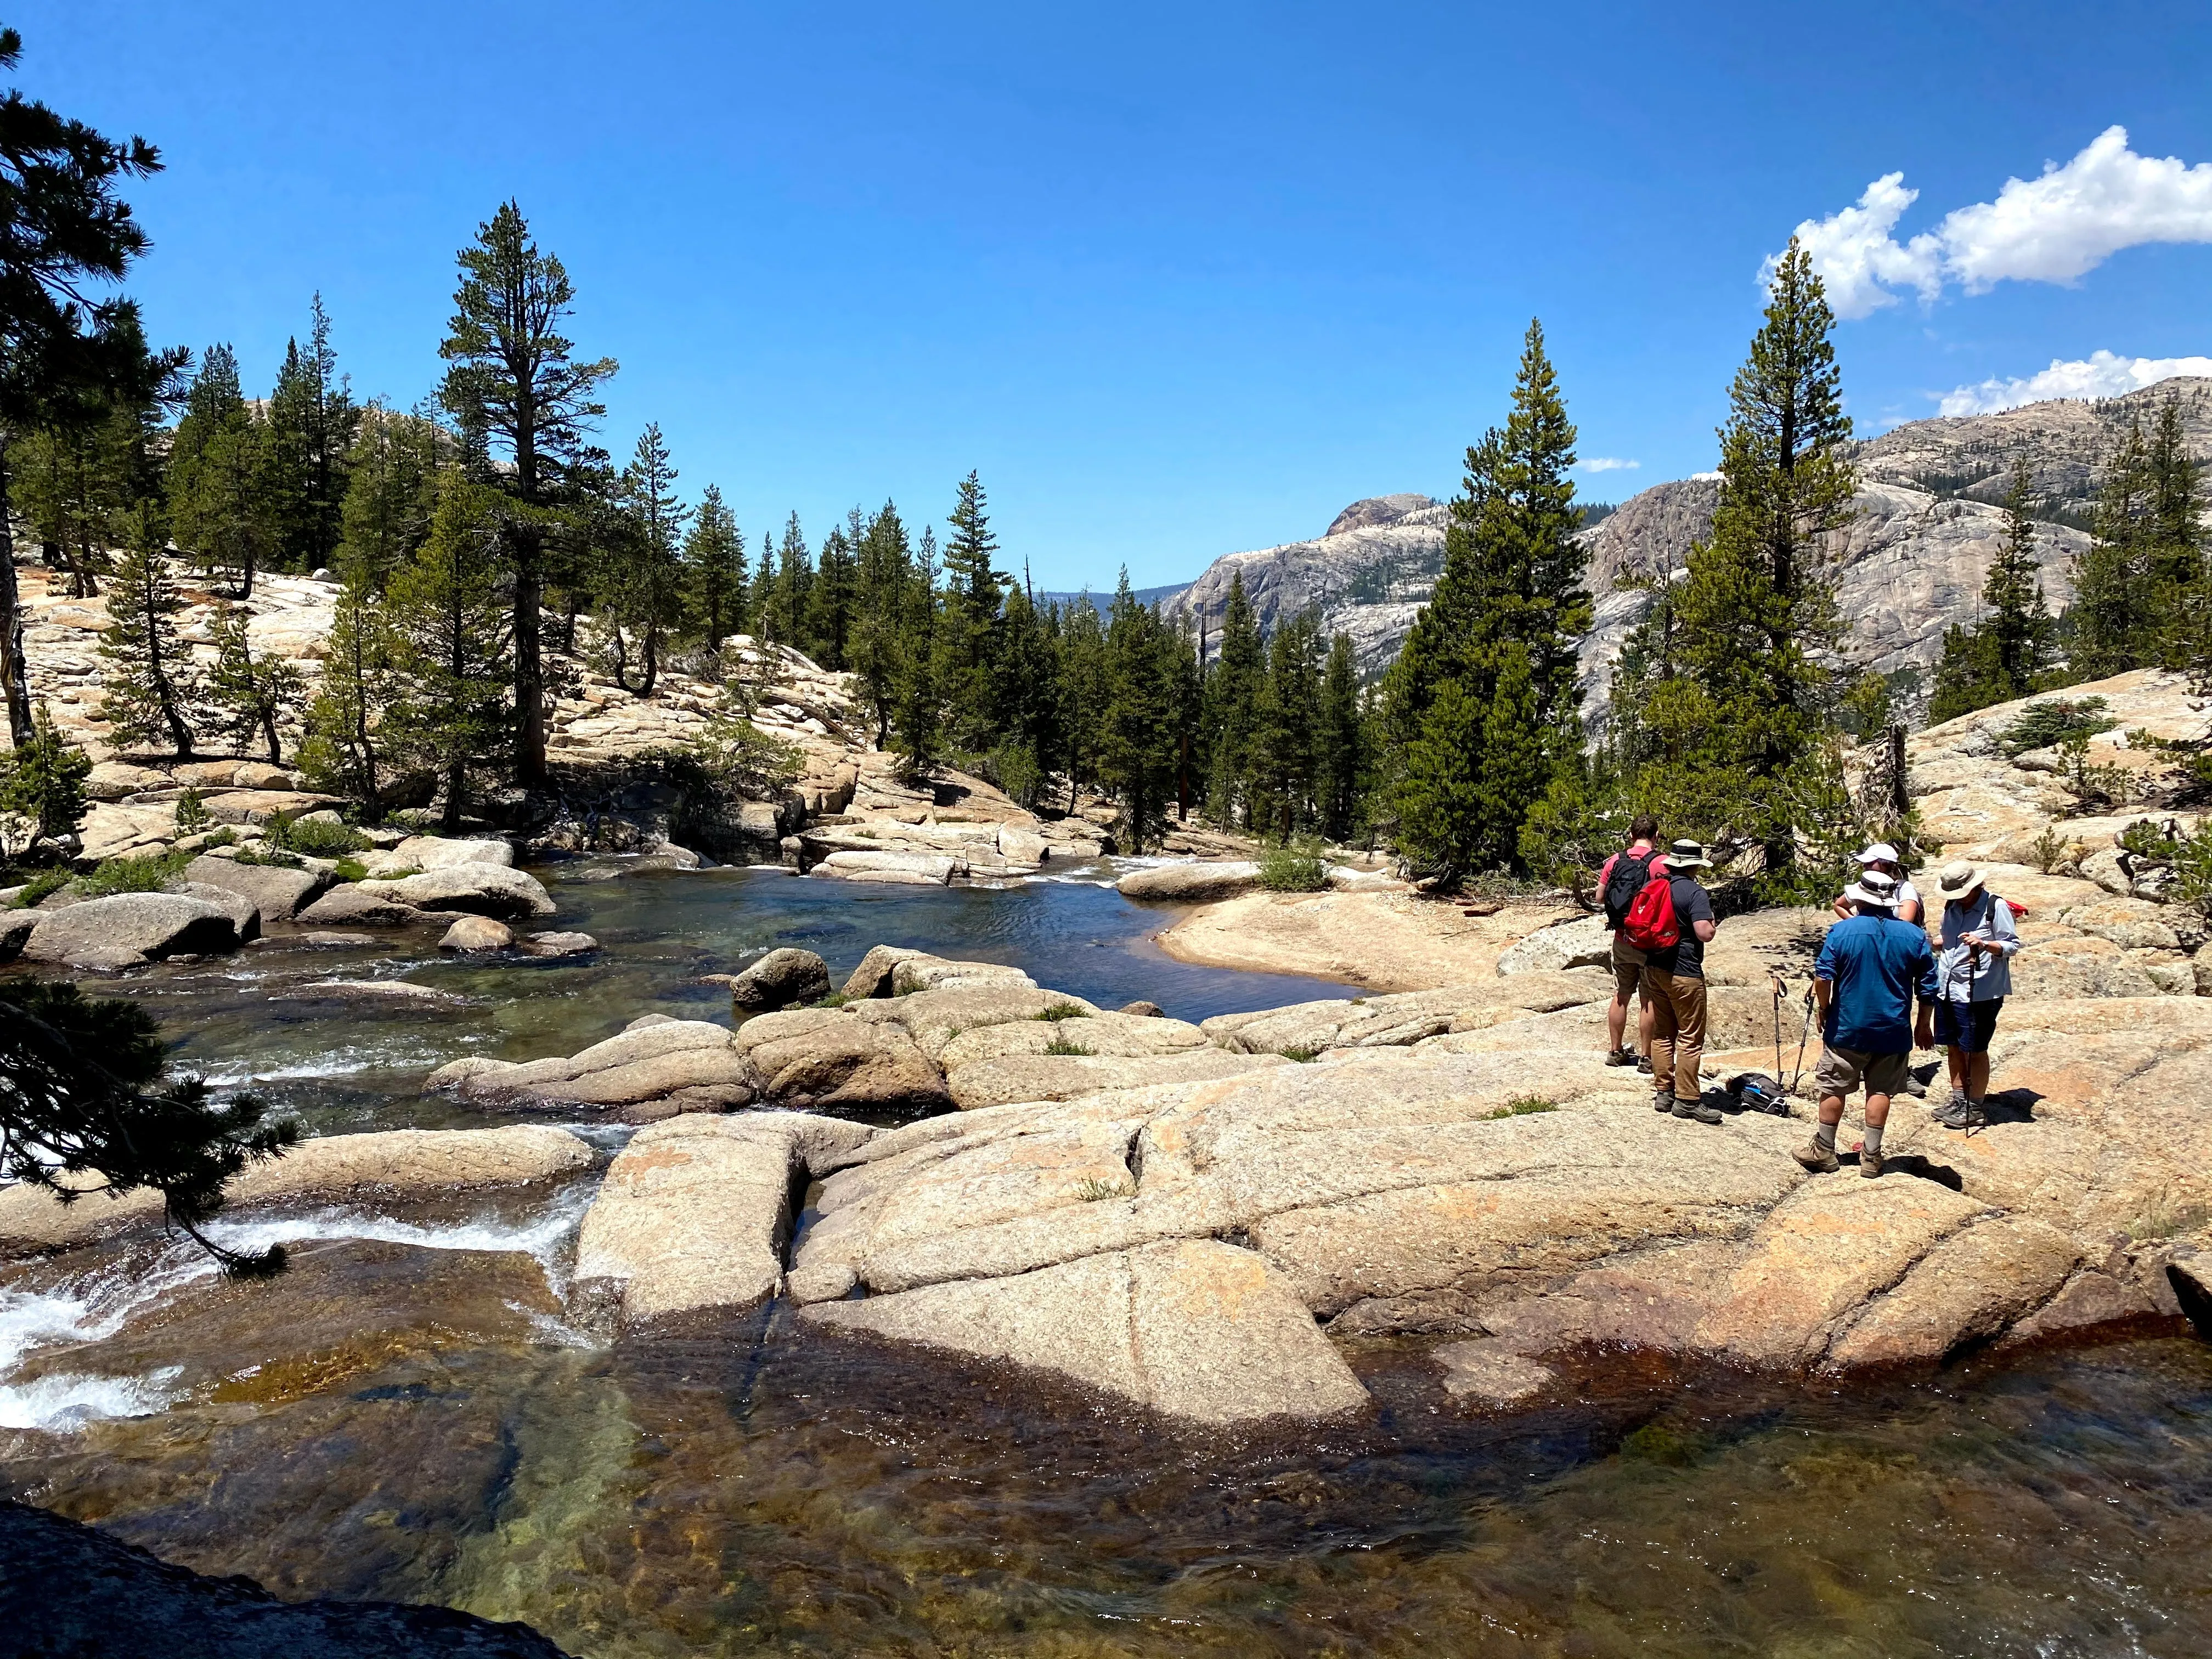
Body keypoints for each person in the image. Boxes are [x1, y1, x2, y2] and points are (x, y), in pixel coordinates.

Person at [1796, 868, 1938, 1180]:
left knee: (1834, 1086)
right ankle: (1872, 1157)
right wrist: (1923, 1024)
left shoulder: (1843, 931)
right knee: (1881, 1091)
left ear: (1860, 899)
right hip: (1893, 1028)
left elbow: (1823, 977)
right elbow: (1928, 988)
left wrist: (1825, 1008)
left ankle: (1824, 1150)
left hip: (1848, 1025)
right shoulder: (1914, 935)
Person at [1928, 860, 2021, 1130]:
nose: (1956, 899)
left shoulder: (1995, 907)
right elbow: (1949, 940)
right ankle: (1959, 1098)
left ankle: (1975, 1105)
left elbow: (2012, 945)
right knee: (1953, 1045)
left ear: (1976, 886)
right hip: (1948, 986)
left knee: (1975, 1049)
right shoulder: (1952, 907)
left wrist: (1984, 944)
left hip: (1979, 991)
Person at [1640, 838, 1718, 1125]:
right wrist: (1712, 922)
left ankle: (1664, 1091)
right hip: (1684, 971)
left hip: (1654, 968)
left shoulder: (1657, 886)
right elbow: (1704, 933)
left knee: (1663, 1032)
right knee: (1690, 1037)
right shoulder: (1695, 892)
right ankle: (1687, 1099)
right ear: (1696, 865)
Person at [1597, 815, 1667, 1071]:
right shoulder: (1661, 863)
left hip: (1622, 938)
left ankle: (1616, 1051)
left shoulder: (1615, 861)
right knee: (1648, 999)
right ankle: (1647, 1057)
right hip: (1649, 942)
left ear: (1631, 835)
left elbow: (1600, 897)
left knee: (1621, 995)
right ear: (1656, 836)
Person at [1832, 843, 1922, 926]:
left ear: (1885, 864)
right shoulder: (1864, 886)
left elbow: (1906, 920)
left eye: (1870, 863)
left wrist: (1876, 929)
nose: (1865, 866)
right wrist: (1858, 925)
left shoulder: (1904, 888)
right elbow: (1839, 906)